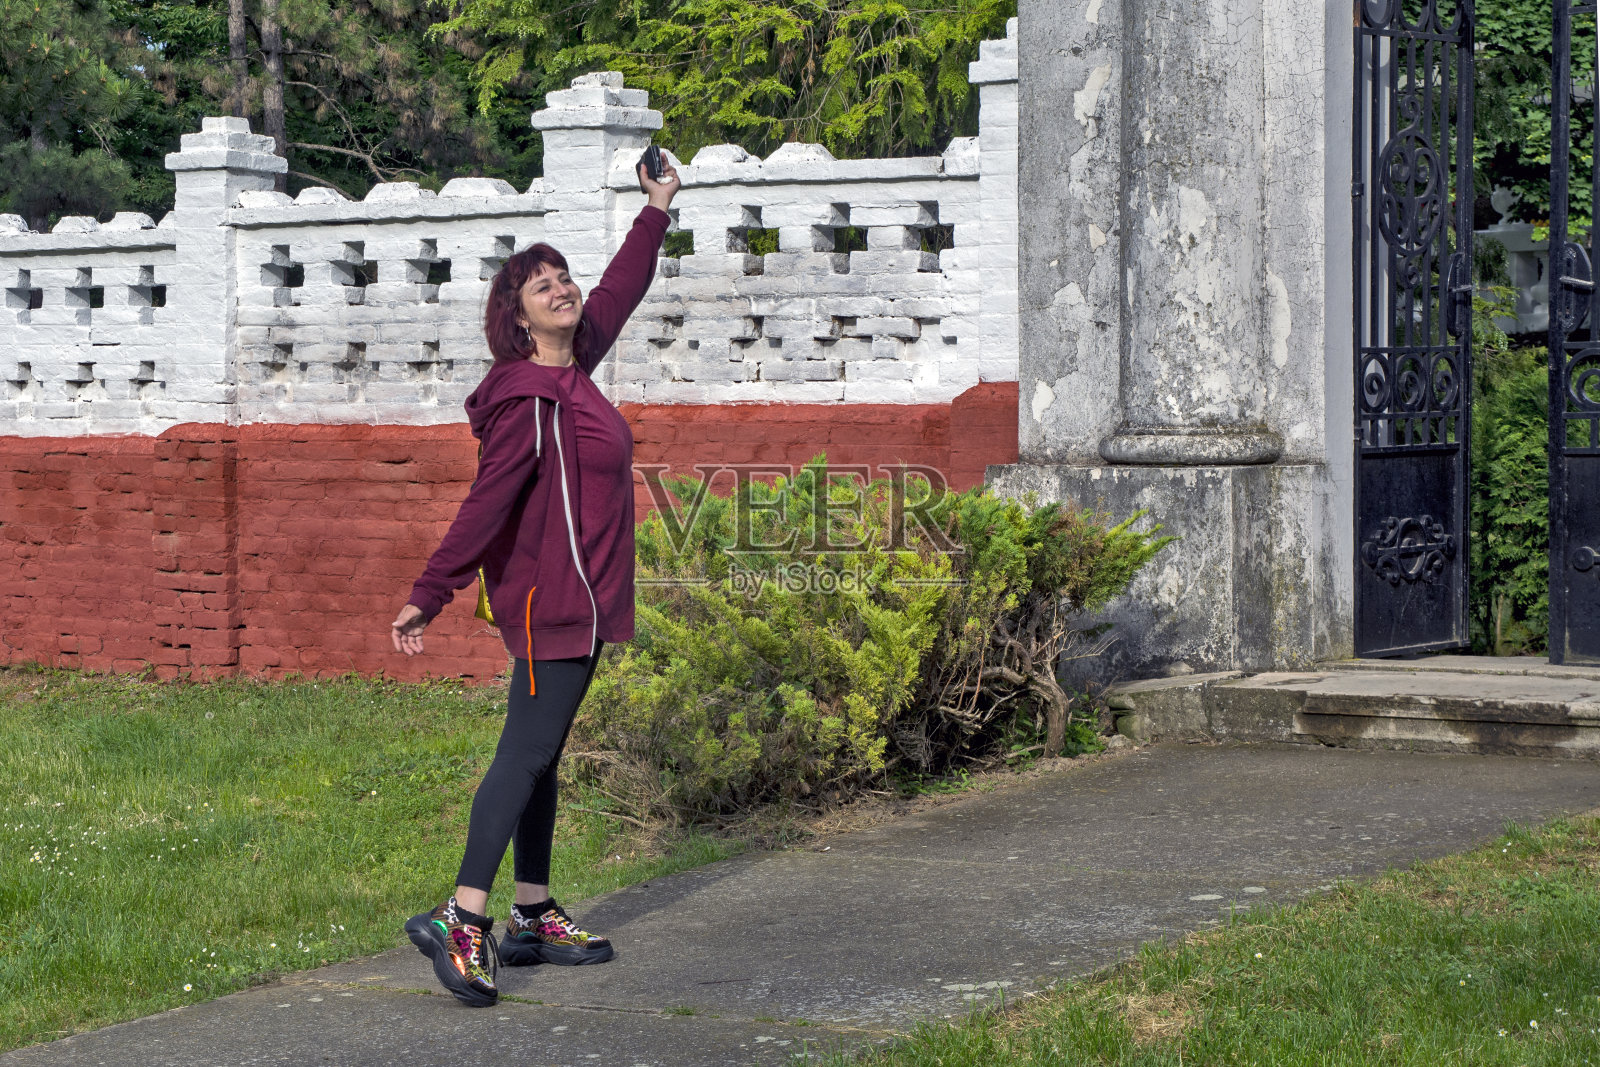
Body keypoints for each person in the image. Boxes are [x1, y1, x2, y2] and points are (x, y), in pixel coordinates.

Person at [389, 153, 681, 1008]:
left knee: (539, 755)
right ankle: (461, 916)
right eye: (540, 284)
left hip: (581, 602)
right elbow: (486, 505)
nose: (561, 288)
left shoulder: (573, 370)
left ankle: (532, 913)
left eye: (562, 276)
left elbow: (619, 288)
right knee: (522, 756)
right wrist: (430, 590)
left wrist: (656, 208)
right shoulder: (529, 400)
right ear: (517, 317)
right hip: (550, 603)